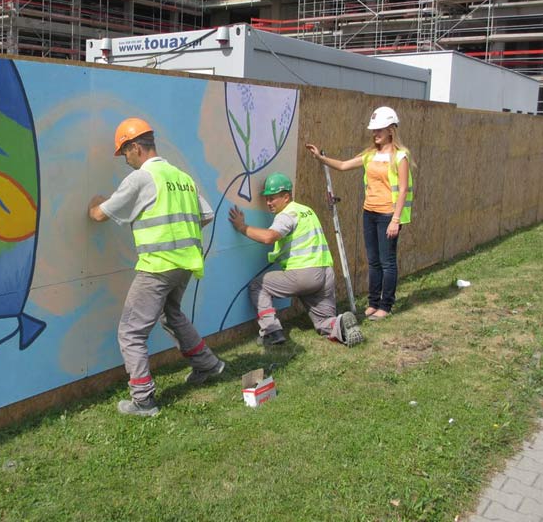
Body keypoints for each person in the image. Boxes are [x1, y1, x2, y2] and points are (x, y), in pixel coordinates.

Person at [88, 117, 226, 417]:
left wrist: (95, 205)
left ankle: (144, 400)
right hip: (185, 264)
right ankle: (209, 365)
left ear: (136, 147)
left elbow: (101, 215)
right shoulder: (181, 177)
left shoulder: (141, 178)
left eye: (125, 152)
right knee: (171, 315)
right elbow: (206, 214)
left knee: (131, 332)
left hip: (158, 266)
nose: (125, 159)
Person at [228, 172, 363, 347]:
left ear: (286, 196)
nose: (268, 203)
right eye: (266, 198)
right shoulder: (306, 210)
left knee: (258, 286)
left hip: (304, 274)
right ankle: (339, 324)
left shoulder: (287, 214)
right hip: (325, 273)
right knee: (323, 322)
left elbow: (270, 237)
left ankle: (271, 332)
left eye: (272, 198)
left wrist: (241, 227)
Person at [306, 105, 414, 320]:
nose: (375, 134)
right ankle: (373, 303)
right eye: (374, 130)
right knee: (373, 261)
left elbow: (402, 189)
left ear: (391, 130)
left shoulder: (400, 157)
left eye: (379, 130)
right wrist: (320, 158)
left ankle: (386, 305)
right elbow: (344, 165)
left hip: (387, 216)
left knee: (387, 262)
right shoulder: (370, 155)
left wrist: (395, 220)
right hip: (370, 213)